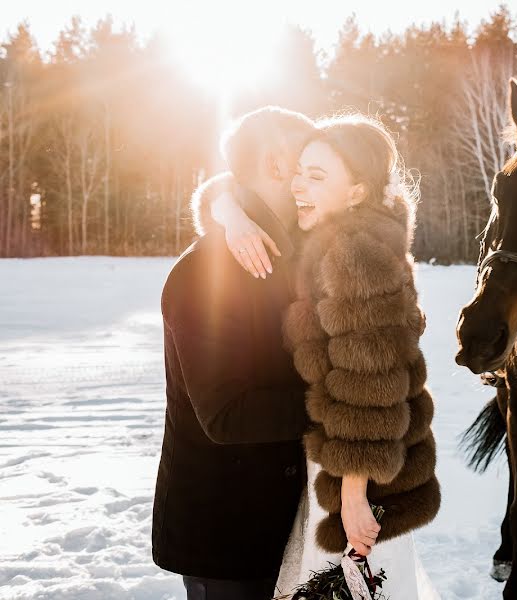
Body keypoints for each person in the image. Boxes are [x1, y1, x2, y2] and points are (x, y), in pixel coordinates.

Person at [196, 114, 442, 598]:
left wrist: (351, 497)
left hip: (356, 479)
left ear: (355, 192)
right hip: (339, 467)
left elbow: (369, 387)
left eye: (317, 176)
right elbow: (231, 181)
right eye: (299, 172)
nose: (298, 187)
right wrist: (230, 213)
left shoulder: (354, 254)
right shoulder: (328, 236)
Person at [152, 106, 315, 600]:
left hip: (284, 527)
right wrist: (340, 401)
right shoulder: (206, 273)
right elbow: (226, 416)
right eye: (306, 164)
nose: (312, 179)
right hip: (224, 537)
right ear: (276, 164)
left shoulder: (297, 254)